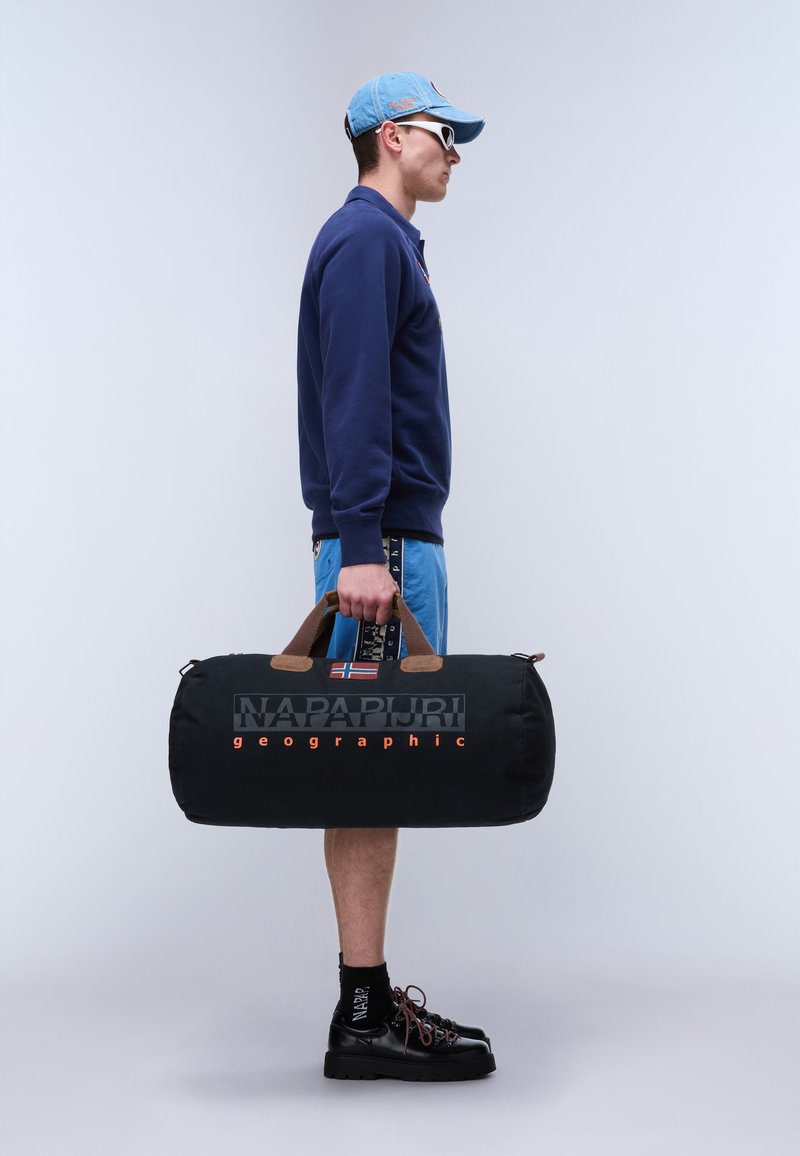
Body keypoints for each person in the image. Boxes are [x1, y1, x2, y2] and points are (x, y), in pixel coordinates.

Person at [296, 72, 494, 1081]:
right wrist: (365, 546)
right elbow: (355, 398)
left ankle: (364, 1005)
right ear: (388, 136)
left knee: (370, 763)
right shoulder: (368, 239)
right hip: (388, 550)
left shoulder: (383, 244)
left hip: (392, 542)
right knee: (371, 763)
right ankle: (364, 1015)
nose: (453, 152)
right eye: (440, 134)